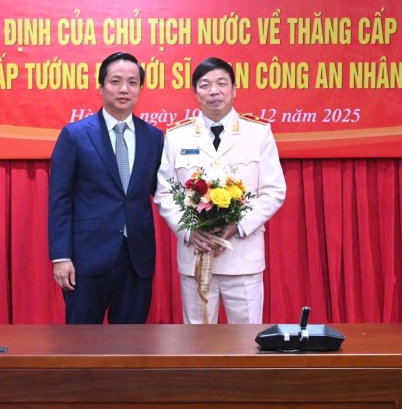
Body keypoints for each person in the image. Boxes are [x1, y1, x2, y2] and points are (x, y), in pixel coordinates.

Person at [154, 57, 285, 324]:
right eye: (205, 85)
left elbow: (274, 190)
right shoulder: (177, 136)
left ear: (234, 89)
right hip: (196, 257)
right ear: (195, 93)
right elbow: (165, 192)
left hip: (242, 256)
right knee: (196, 345)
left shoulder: (258, 133)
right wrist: (189, 230)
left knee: (247, 343)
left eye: (221, 83)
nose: (214, 91)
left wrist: (238, 224)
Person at [48, 52, 164, 324]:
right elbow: (59, 200)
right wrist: (60, 256)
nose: (124, 89)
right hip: (86, 259)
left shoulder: (154, 137)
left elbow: (164, 193)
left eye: (132, 82)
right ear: (101, 87)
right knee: (82, 347)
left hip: (137, 259)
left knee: (130, 347)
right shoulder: (75, 135)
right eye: (115, 81)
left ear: (140, 89)